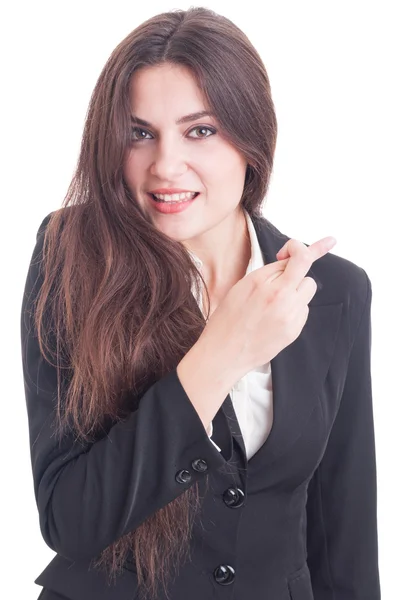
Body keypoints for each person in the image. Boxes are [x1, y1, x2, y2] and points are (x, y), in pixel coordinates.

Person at [20, 6, 381, 600]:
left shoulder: (333, 290)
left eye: (200, 130)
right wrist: (223, 352)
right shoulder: (72, 256)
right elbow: (69, 520)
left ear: (251, 139)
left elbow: (342, 532)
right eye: (140, 133)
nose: (165, 165)